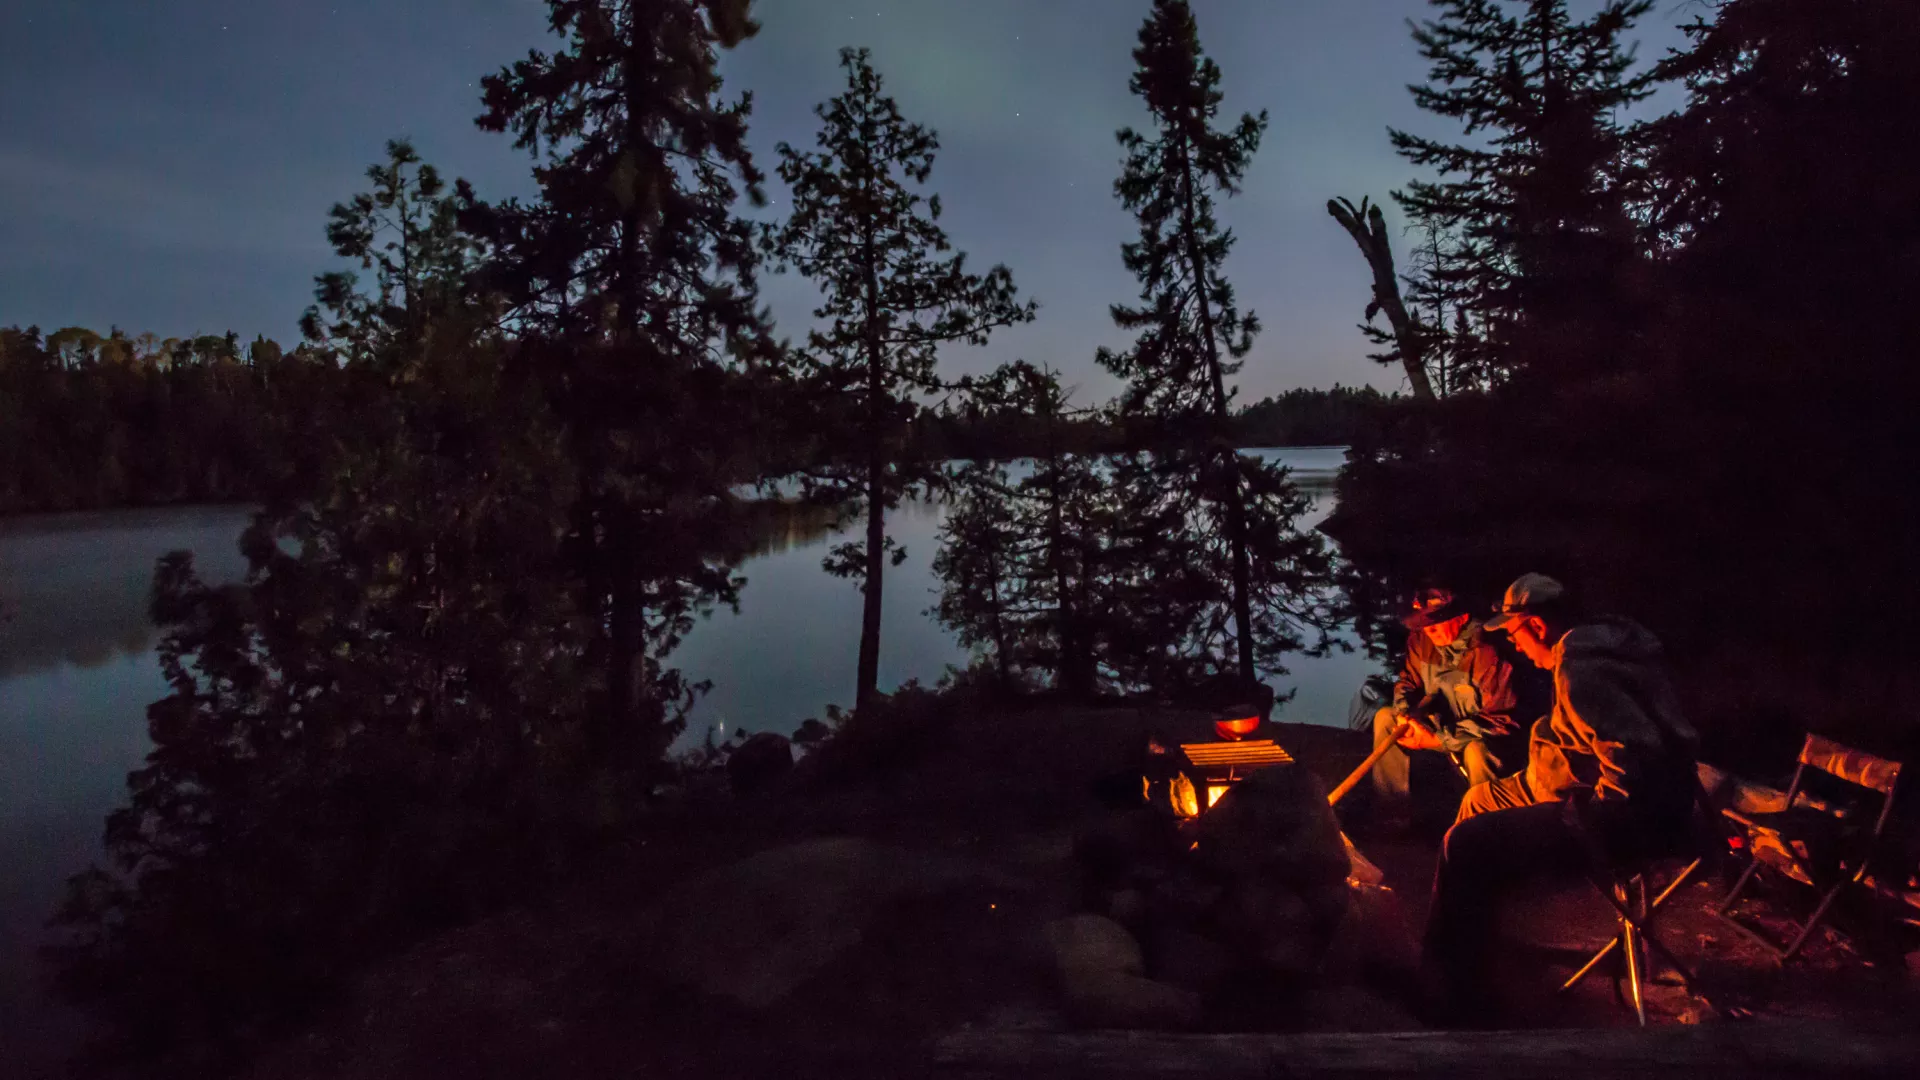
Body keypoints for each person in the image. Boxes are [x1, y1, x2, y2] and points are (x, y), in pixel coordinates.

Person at [1420, 573, 1700, 1013]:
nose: (1514, 645)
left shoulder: (1582, 669)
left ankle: (1459, 989)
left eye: (1514, 633)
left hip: (1628, 821)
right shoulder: (1601, 648)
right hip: (1575, 787)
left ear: (1536, 625)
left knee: (1465, 843)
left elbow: (1634, 758)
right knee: (1478, 801)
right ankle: (1475, 947)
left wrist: (1583, 815)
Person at [1369, 585, 1536, 824]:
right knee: (1386, 719)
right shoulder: (1421, 639)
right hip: (1442, 727)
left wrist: (1438, 740)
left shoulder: (1489, 650)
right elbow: (1407, 682)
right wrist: (1406, 714)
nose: (1429, 629)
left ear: (1462, 617)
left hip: (1485, 736)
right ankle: (1393, 812)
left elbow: (1502, 721)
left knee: (1477, 751)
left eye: (1437, 621)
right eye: (1424, 622)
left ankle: (1484, 825)